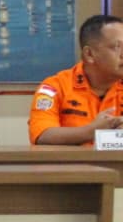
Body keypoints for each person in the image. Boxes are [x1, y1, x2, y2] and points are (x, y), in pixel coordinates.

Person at [28, 14, 123, 145]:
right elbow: (42, 135)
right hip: (72, 159)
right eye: (117, 47)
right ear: (89, 54)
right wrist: (92, 131)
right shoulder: (56, 86)